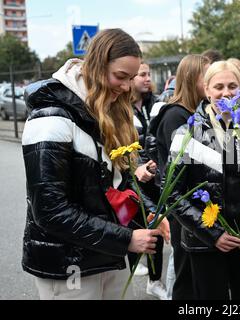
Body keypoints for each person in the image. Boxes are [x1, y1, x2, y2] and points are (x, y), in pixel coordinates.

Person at [21, 29, 162, 300]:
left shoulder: (110, 112)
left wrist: (150, 212)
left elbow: (119, 185)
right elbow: (50, 210)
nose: (125, 87)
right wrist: (126, 239)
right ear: (96, 66)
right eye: (120, 76)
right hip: (68, 264)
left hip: (109, 254)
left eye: (131, 78)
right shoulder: (50, 119)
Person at [170, 61, 240, 300]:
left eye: (232, 86)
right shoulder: (187, 133)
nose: (226, 93)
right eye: (218, 86)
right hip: (204, 244)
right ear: (206, 89)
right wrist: (212, 235)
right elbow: (172, 193)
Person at [148, 54, 210, 300]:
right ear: (193, 77)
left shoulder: (197, 111)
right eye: (207, 75)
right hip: (182, 207)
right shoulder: (176, 115)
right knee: (185, 274)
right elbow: (189, 165)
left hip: (194, 204)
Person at [129, 62, 168, 300]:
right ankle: (134, 263)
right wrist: (136, 167)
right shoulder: (120, 106)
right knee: (136, 229)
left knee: (156, 231)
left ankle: (155, 281)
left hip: (155, 178)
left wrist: (155, 164)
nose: (147, 78)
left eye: (148, 74)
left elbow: (159, 140)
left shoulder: (156, 103)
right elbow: (120, 147)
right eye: (142, 74)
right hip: (133, 181)